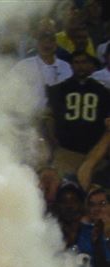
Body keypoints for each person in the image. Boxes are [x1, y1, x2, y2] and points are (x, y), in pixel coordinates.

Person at [48, 50, 110, 178]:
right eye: (76, 62)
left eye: (84, 62)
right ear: (70, 65)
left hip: (94, 153)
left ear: (91, 65)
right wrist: (53, 140)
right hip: (66, 151)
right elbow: (50, 117)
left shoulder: (102, 91)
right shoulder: (60, 89)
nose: (80, 66)